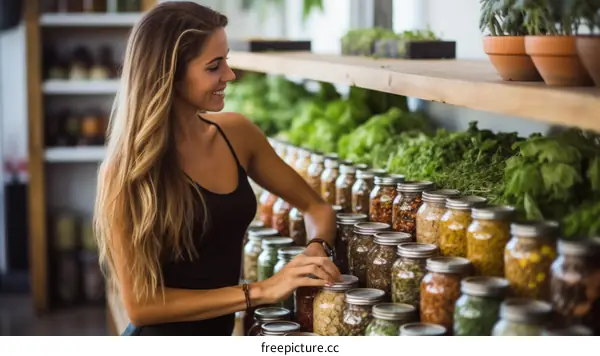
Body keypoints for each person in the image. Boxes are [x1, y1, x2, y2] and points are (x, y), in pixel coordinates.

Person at [93, 1, 340, 336]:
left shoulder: (237, 134)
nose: (230, 75)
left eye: (227, 60)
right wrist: (261, 291)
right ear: (170, 74)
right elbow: (142, 305)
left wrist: (315, 251)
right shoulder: (126, 172)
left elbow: (317, 207)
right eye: (214, 66)